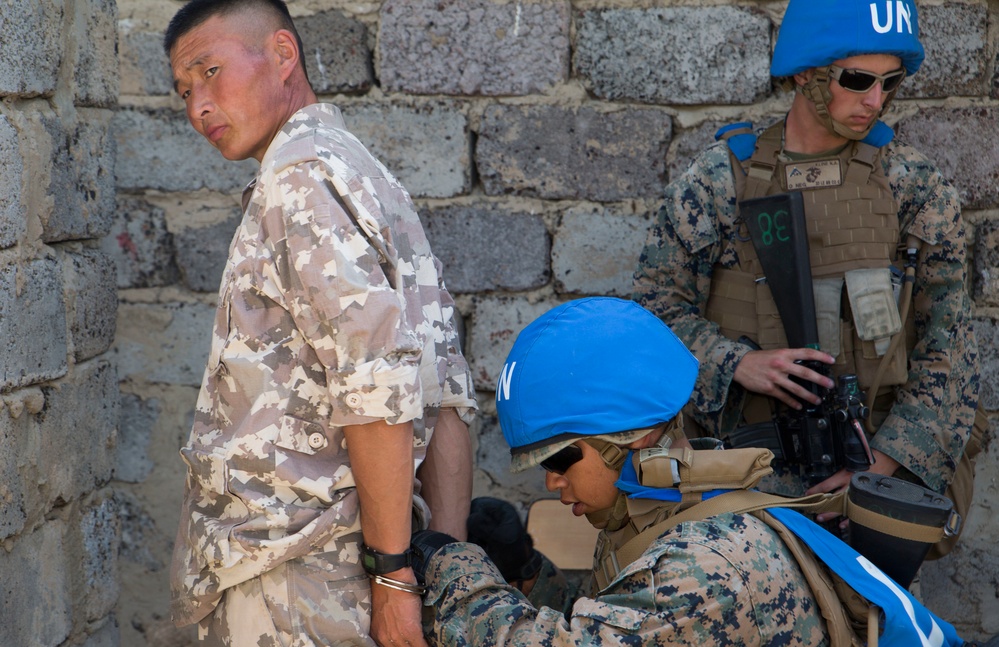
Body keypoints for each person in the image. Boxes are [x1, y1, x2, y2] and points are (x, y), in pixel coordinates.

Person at [164, 1, 477, 645]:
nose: (198, 106)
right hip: (329, 576)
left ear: (283, 55)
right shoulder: (361, 171)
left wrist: (394, 581)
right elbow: (443, 390)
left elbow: (376, 389)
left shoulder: (300, 181)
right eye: (184, 89)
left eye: (211, 71)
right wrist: (444, 564)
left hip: (293, 579)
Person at [632, 0, 981, 537]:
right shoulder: (721, 180)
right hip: (740, 490)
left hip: (869, 483)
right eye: (858, 79)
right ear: (805, 74)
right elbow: (650, 315)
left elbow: (950, 349)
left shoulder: (914, 185)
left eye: (890, 82)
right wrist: (736, 364)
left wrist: (880, 469)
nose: (875, 100)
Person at [413, 297, 833, 645]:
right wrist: (526, 573)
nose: (551, 481)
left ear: (636, 438)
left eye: (559, 459)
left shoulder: (705, 565)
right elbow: (610, 619)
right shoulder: (662, 514)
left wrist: (454, 570)